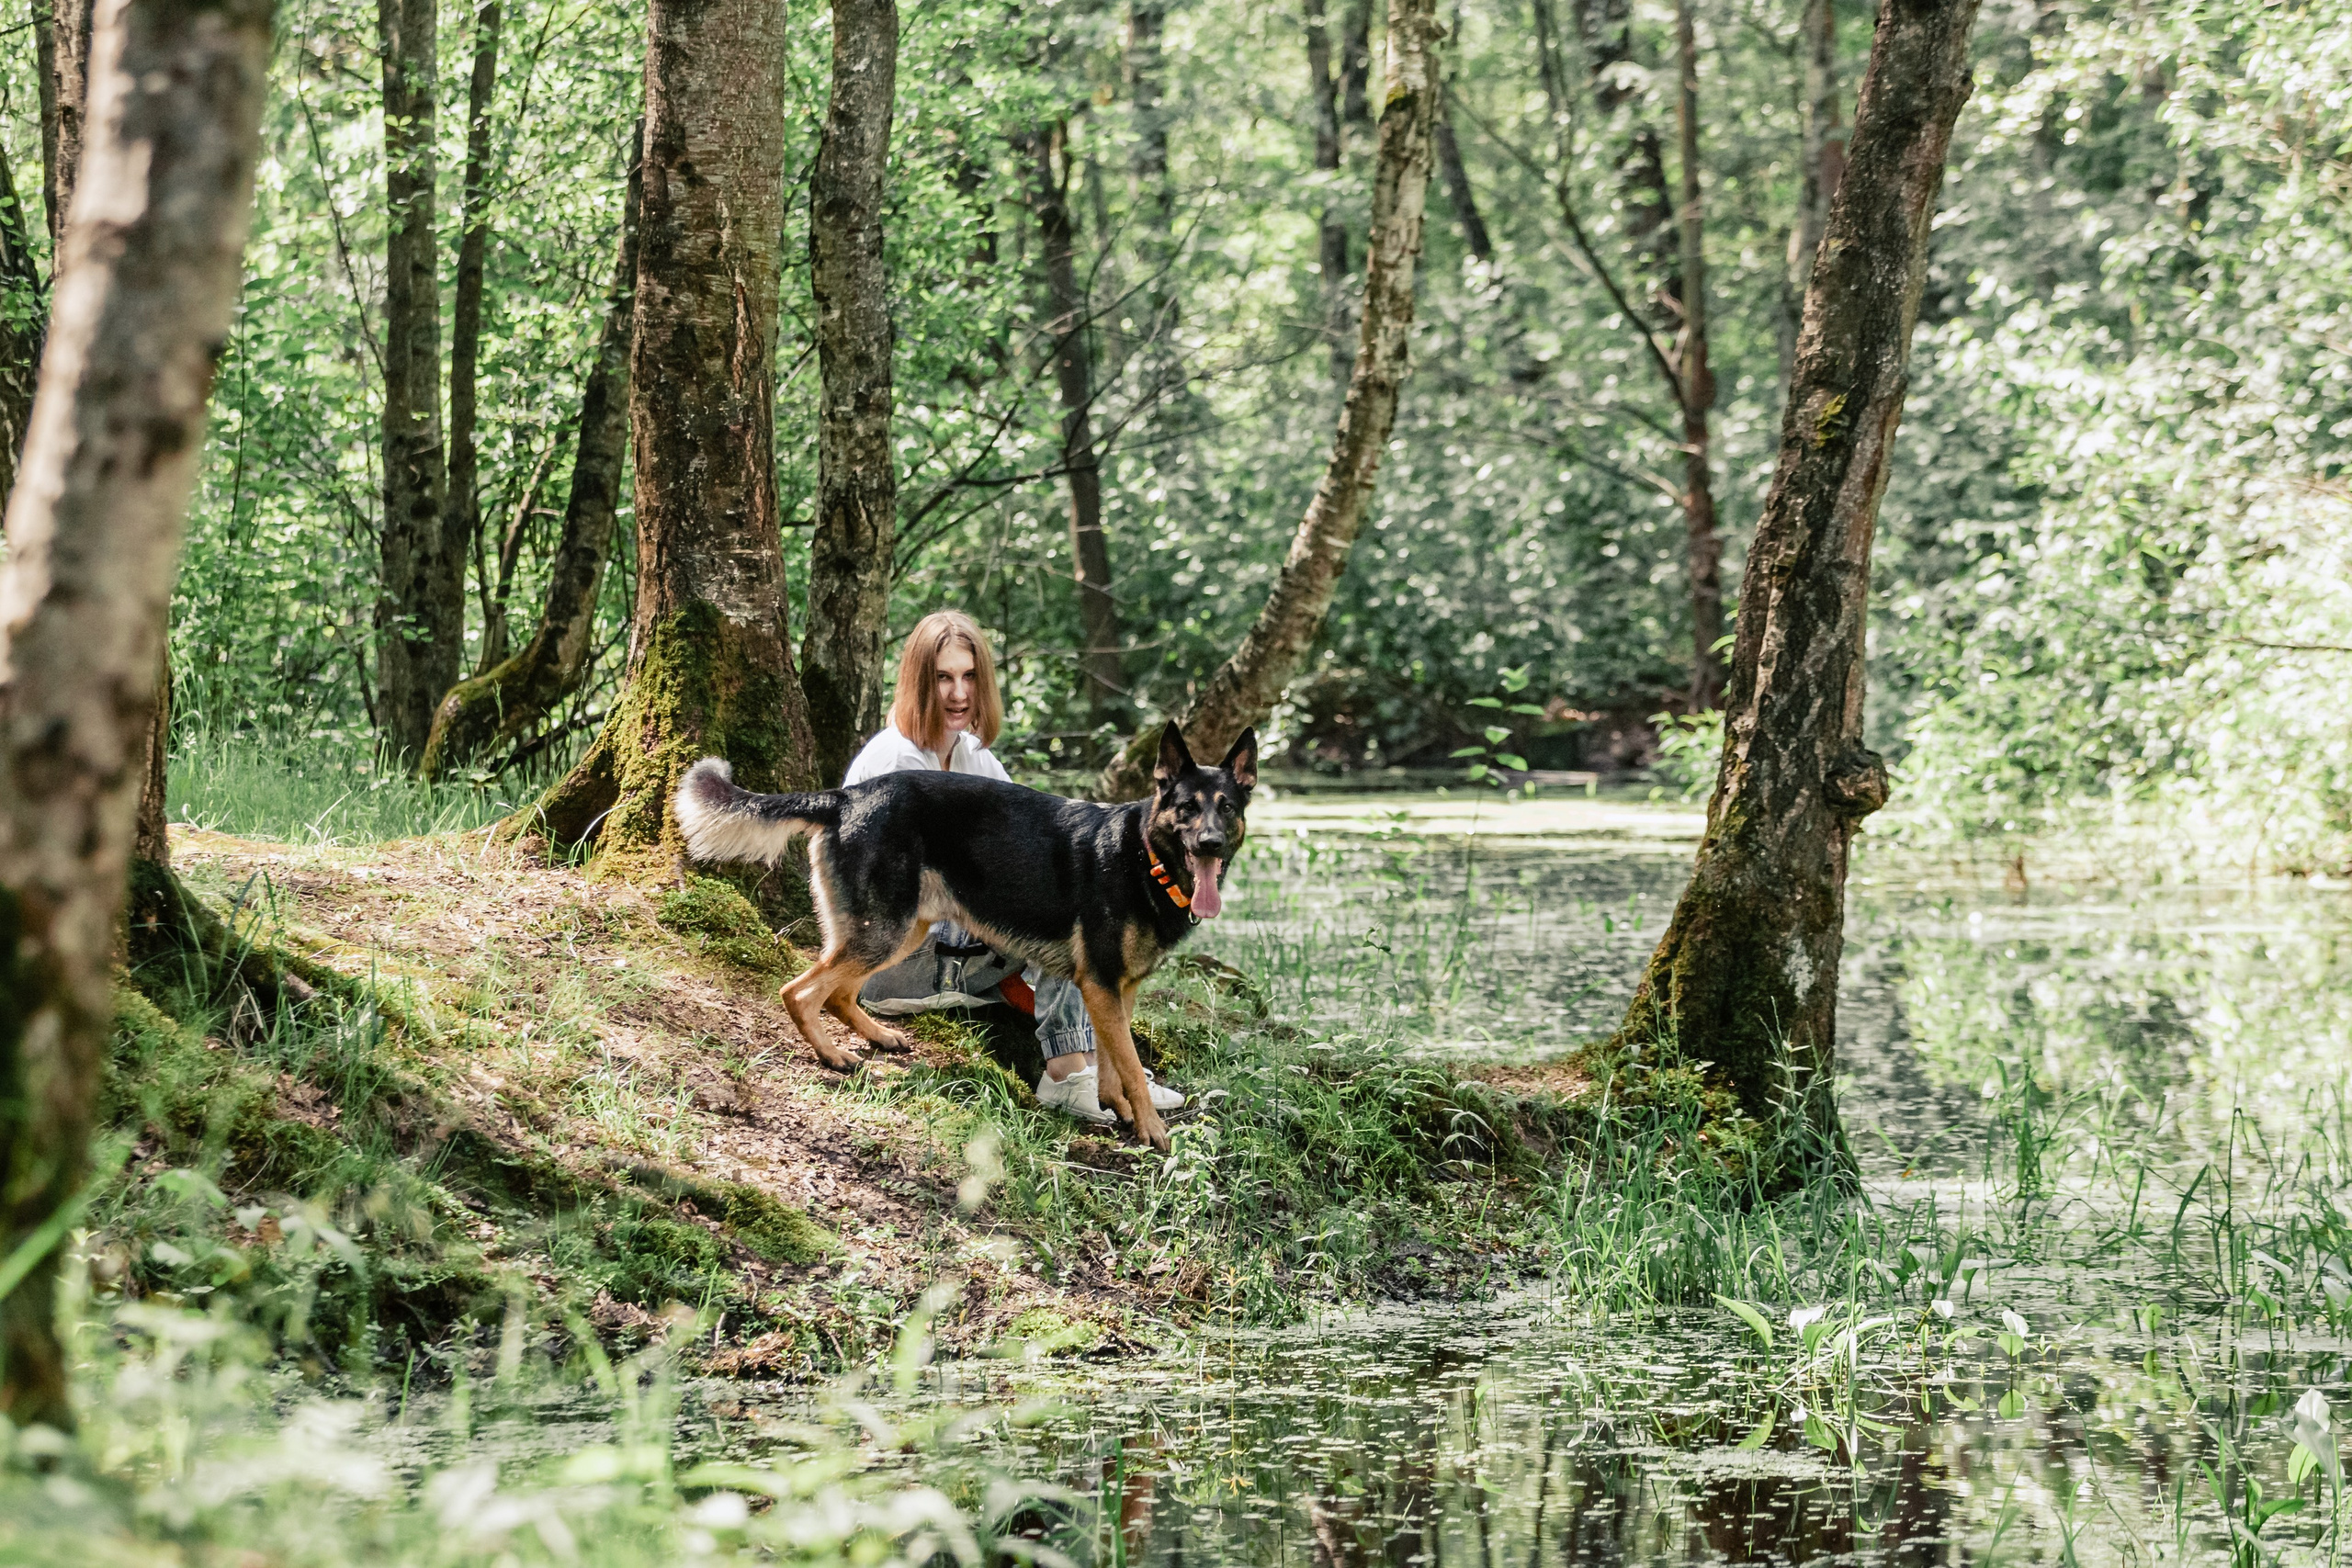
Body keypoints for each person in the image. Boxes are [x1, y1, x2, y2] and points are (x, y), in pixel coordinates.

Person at [842, 609, 1184, 1127]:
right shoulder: (895, 765)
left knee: (1080, 900)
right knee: (1075, 921)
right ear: (918, 682)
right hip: (899, 966)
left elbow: (1035, 843)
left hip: (958, 947)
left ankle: (1101, 1070)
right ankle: (1071, 1072)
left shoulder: (974, 757)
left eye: (969, 677)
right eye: (943, 678)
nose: (959, 693)